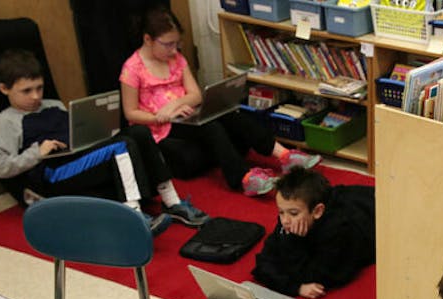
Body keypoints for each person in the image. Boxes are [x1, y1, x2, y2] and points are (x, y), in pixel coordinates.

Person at [0, 48, 207, 232]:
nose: (35, 96)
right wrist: (36, 153)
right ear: (4, 89)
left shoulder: (54, 105)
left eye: (39, 88)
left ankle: (173, 203)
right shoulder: (5, 122)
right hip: (53, 172)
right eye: (26, 91)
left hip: (78, 156)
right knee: (122, 146)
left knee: (139, 132)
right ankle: (134, 215)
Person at [119, 7, 319, 197]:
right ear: (148, 39)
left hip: (186, 114)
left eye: (176, 43)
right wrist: (159, 116)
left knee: (230, 115)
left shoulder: (176, 59)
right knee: (211, 127)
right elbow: (130, 113)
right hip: (161, 126)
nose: (173, 49)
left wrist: (174, 105)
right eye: (167, 44)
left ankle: (284, 155)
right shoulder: (132, 68)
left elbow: (195, 94)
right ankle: (243, 178)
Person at [251, 167, 374, 299]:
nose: (285, 221)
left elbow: (316, 277)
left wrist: (293, 243)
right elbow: (262, 265)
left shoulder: (338, 230)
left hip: (379, 211)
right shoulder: (289, 221)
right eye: (281, 212)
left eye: (293, 213)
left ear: (317, 211)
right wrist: (297, 287)